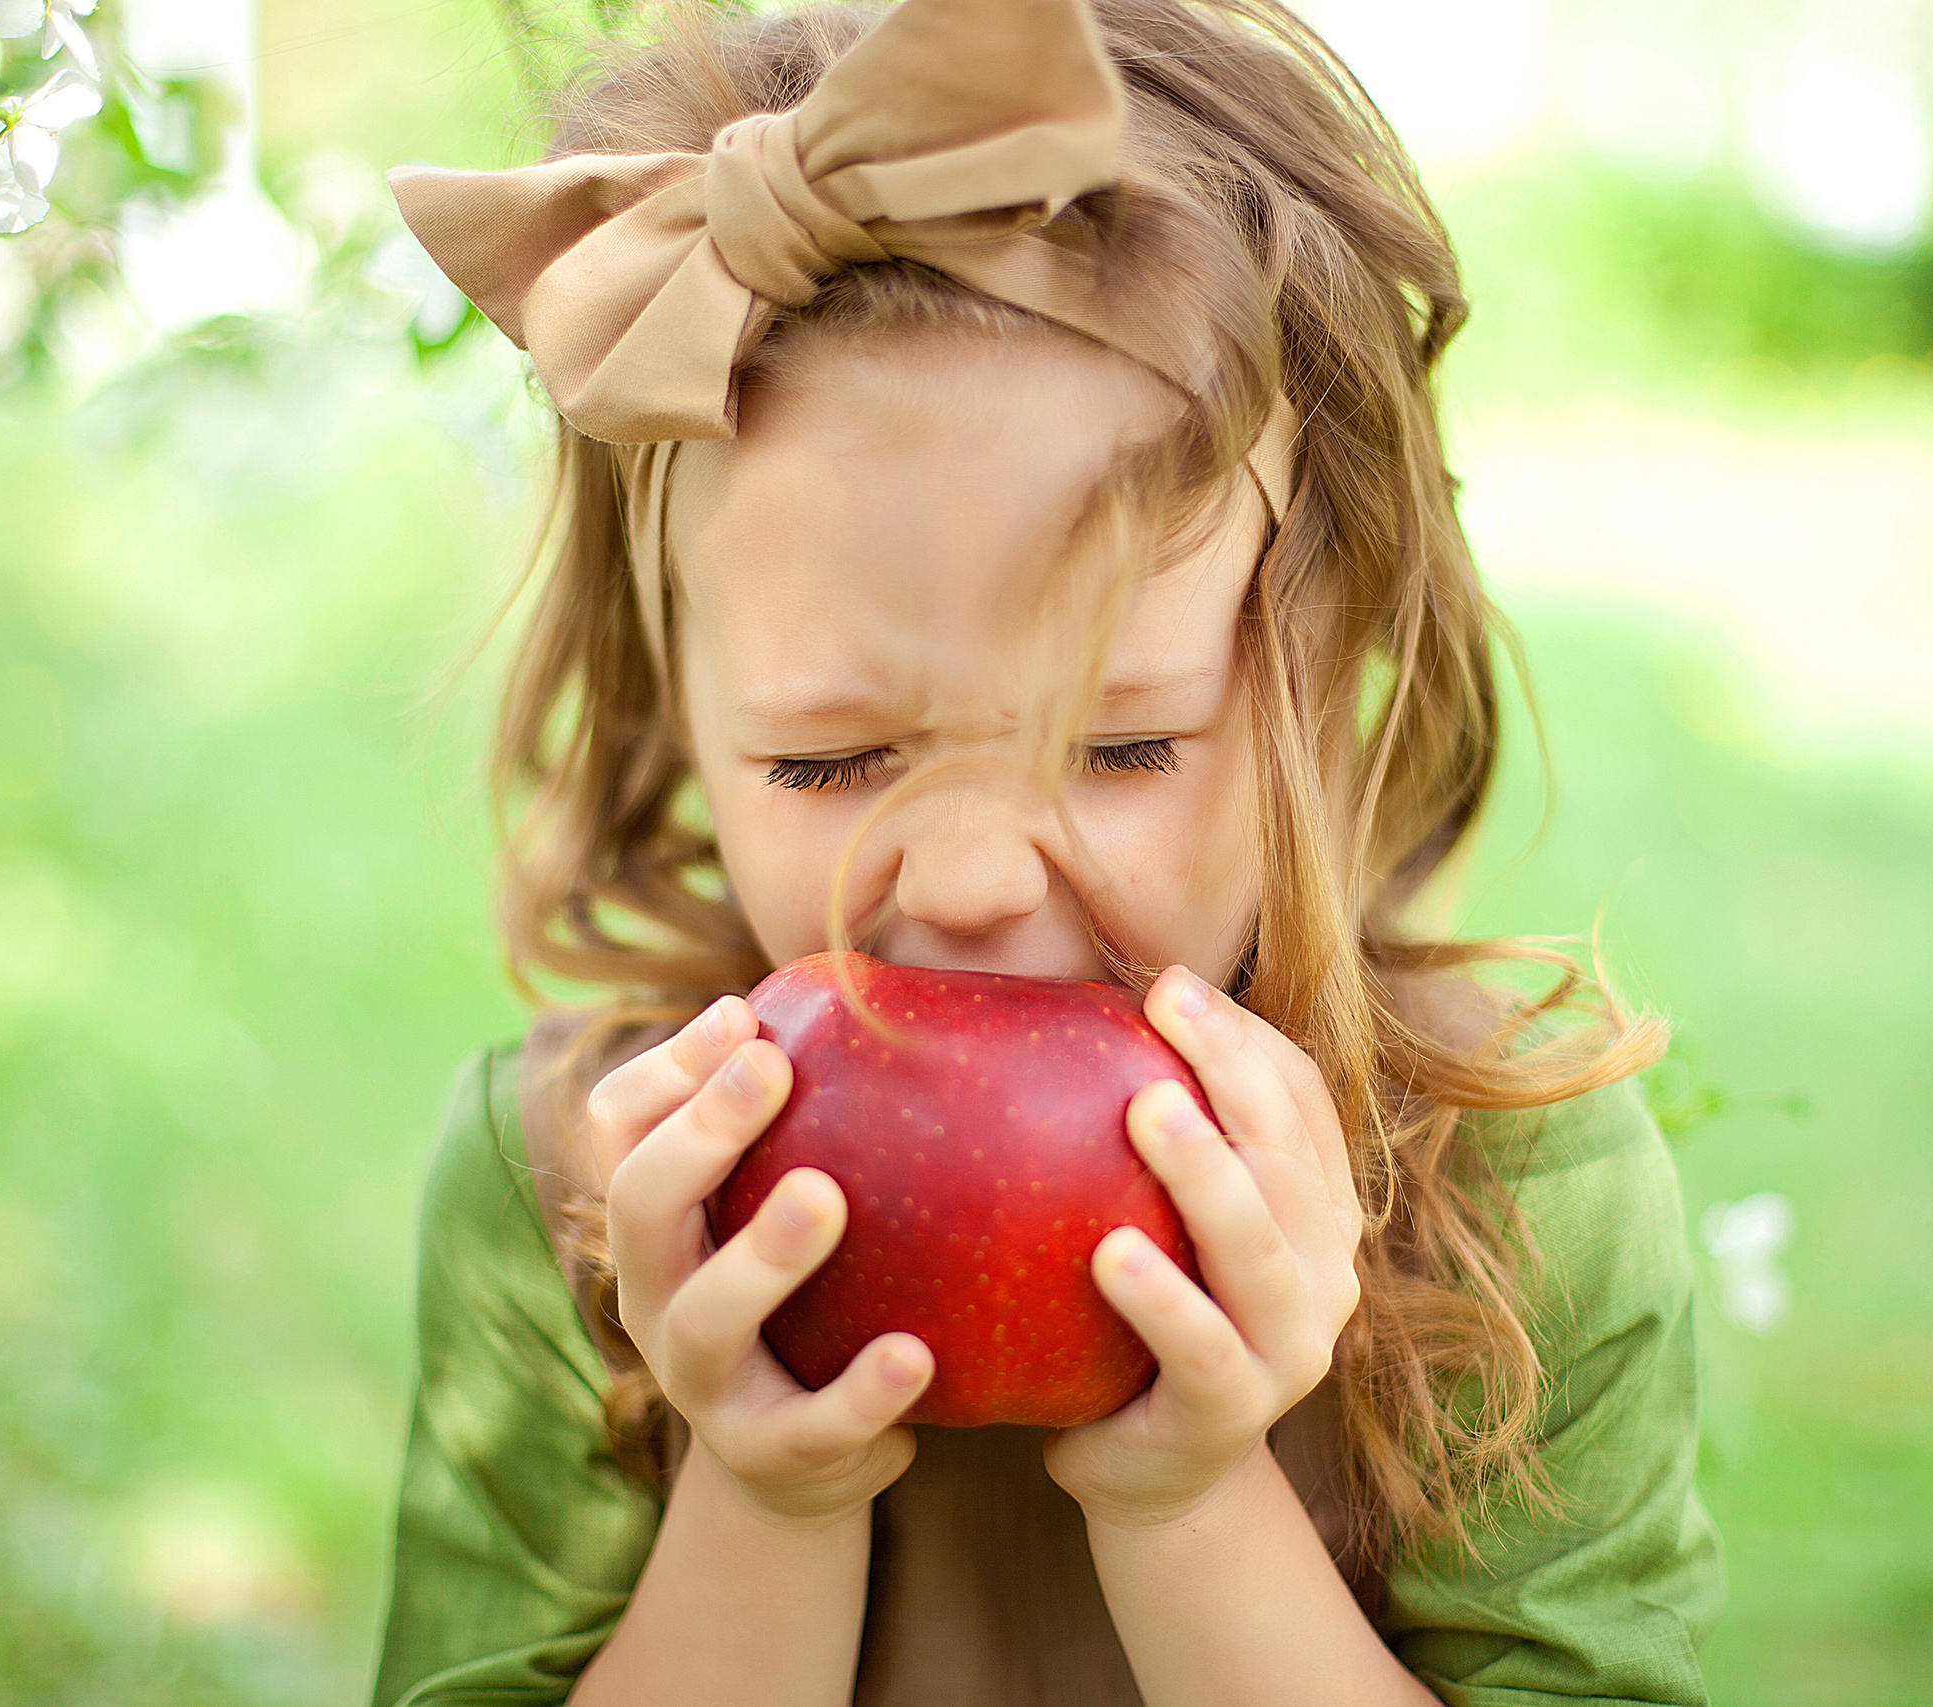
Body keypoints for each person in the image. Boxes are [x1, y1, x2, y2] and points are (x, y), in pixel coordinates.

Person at [369, 1, 1721, 1702]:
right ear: (677, 708)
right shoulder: (579, 1179)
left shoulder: (1520, 1191)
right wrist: (763, 1499)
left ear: (1327, 667)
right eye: (829, 757)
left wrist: (1193, 1502)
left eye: (1125, 742)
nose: (971, 880)